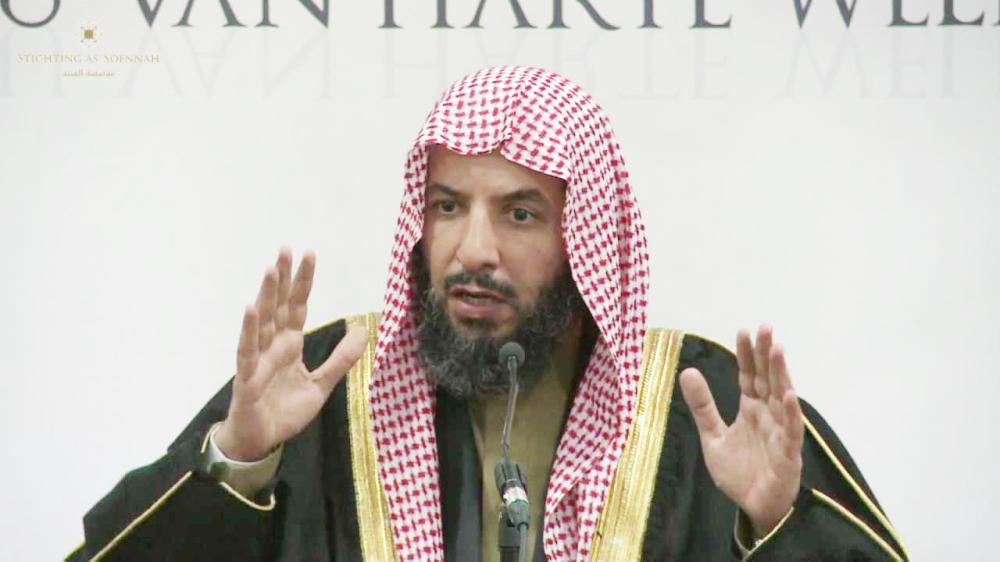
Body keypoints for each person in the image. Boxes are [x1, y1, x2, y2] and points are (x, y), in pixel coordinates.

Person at [66, 66, 909, 562]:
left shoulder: (706, 405)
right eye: (447, 207)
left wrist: (777, 527)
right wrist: (239, 463)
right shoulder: (321, 391)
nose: (474, 250)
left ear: (584, 236)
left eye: (520, 213)